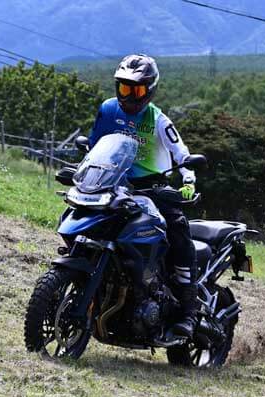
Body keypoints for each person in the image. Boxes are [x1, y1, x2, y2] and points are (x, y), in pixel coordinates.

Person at [89, 54, 198, 338]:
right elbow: (93, 146)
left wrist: (188, 180)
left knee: (177, 228)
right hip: (112, 183)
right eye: (123, 88)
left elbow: (181, 154)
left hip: (153, 187)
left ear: (150, 90)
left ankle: (188, 311)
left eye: (135, 89)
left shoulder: (159, 120)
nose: (128, 96)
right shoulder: (108, 110)